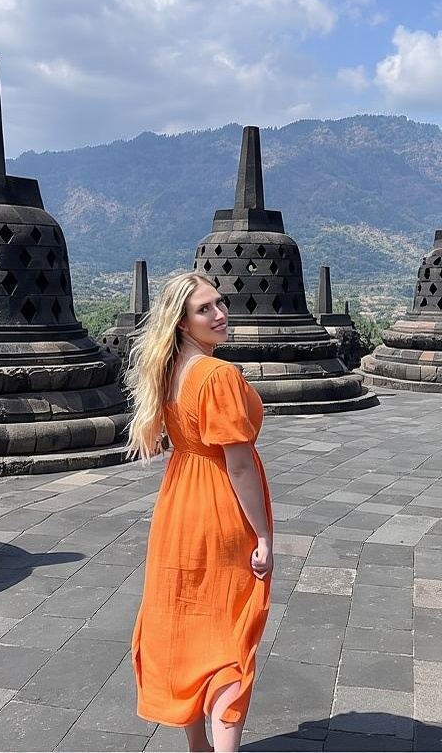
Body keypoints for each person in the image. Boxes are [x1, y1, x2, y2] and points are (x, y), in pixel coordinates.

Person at [128, 271, 273, 753]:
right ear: (183, 323)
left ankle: (200, 748)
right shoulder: (219, 375)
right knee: (231, 635)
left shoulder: (168, 372)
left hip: (179, 505)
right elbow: (238, 466)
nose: (219, 314)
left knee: (188, 626)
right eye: (204, 309)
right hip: (219, 509)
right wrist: (264, 536)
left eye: (219, 303)